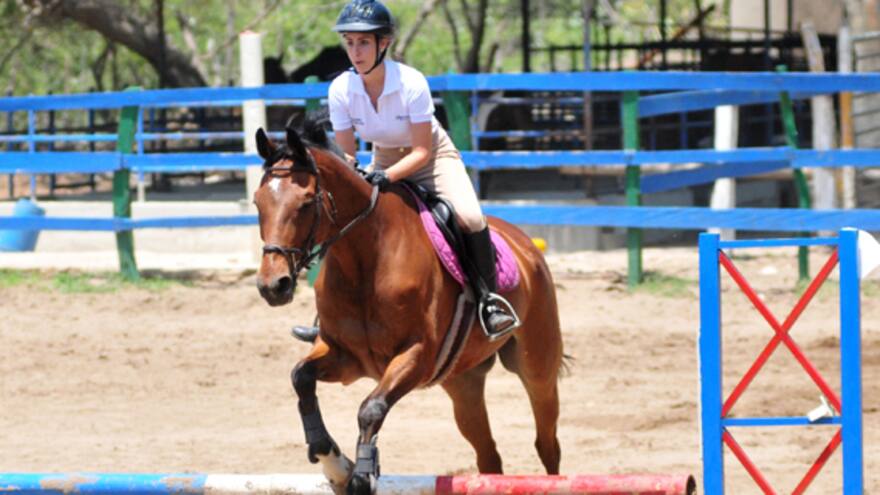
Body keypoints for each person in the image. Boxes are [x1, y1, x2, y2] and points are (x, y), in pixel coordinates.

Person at [326, 0, 518, 338]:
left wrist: (386, 177)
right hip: (383, 158)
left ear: (383, 43)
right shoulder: (340, 89)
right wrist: (355, 172)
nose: (355, 52)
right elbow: (346, 153)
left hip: (432, 158)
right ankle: (328, 316)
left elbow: (421, 151)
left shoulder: (411, 83)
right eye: (350, 42)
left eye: (364, 42)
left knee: (470, 217)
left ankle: (490, 302)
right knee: (346, 220)